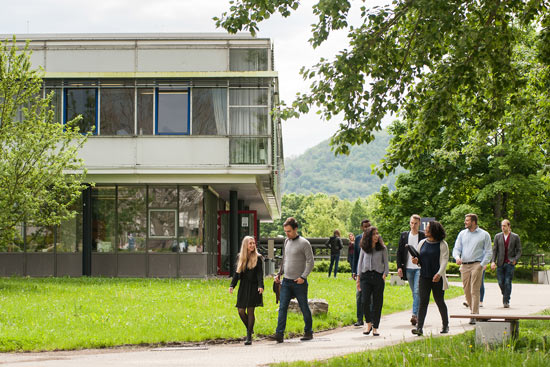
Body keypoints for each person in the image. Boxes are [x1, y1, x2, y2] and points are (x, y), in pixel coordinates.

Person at [271, 217, 315, 343]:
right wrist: (279, 274)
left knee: (303, 307)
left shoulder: (304, 243)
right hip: (286, 282)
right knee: (282, 307)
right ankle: (279, 334)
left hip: (299, 283)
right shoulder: (286, 242)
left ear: (296, 229)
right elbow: (285, 260)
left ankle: (308, 331)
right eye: (285, 231)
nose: (287, 233)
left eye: (289, 231)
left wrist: (303, 277)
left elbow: (311, 262)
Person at [411, 221, 450, 336]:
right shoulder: (422, 243)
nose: (425, 230)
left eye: (427, 228)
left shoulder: (443, 244)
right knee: (423, 302)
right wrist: (415, 261)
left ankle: (445, 325)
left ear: (434, 231)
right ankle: (419, 328)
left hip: (437, 278)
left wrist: (438, 274)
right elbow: (418, 260)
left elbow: (444, 261)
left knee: (439, 301)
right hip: (424, 277)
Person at [452, 213, 492, 324]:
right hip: (464, 265)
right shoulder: (462, 234)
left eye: (467, 220)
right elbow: (456, 249)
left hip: (476, 264)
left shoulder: (484, 235)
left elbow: (489, 252)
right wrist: (457, 257)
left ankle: (474, 315)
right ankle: (472, 311)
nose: (465, 222)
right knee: (466, 290)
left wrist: (482, 264)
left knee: (475, 289)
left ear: (473, 222)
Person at [229, 236, 264, 345]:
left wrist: (261, 285)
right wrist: (232, 285)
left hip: (254, 287)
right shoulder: (240, 257)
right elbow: (237, 273)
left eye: (253, 243)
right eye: (250, 243)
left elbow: (259, 274)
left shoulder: (258, 257)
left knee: (250, 311)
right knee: (240, 311)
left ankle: (248, 336)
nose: (253, 245)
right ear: (245, 245)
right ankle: (250, 328)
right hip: (243, 287)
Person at [356, 226, 389, 336]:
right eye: (374, 234)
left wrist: (384, 274)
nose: (377, 236)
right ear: (369, 236)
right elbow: (360, 263)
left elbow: (386, 264)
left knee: (377, 302)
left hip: (378, 276)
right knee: (364, 301)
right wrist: (358, 278)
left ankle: (375, 327)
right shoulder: (364, 248)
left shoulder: (382, 248)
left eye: (377, 234)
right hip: (365, 277)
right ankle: (368, 323)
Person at [396, 214, 426, 326]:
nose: (413, 225)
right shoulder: (404, 235)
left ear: (419, 224)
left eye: (415, 223)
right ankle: (418, 313)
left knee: (417, 291)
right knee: (414, 292)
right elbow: (399, 252)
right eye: (411, 223)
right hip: (408, 268)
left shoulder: (423, 236)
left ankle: (414, 315)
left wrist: (419, 260)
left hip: (419, 268)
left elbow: (425, 252)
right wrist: (399, 267)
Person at [491, 219, 522, 308]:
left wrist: (515, 259)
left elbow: (519, 250)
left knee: (508, 281)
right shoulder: (497, 236)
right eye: (502, 225)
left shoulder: (515, 237)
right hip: (500, 263)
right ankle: (505, 294)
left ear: (509, 226)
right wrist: (493, 261)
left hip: (510, 263)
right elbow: (495, 250)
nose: (502, 227)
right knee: (501, 282)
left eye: (504, 226)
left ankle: (506, 301)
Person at [352, 219, 371, 326]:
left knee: (371, 297)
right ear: (362, 227)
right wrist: (354, 271)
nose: (367, 228)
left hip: (371, 271)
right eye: (365, 226)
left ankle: (371, 318)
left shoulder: (375, 238)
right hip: (360, 271)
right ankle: (359, 319)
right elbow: (355, 256)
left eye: (369, 226)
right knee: (359, 295)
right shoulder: (358, 238)